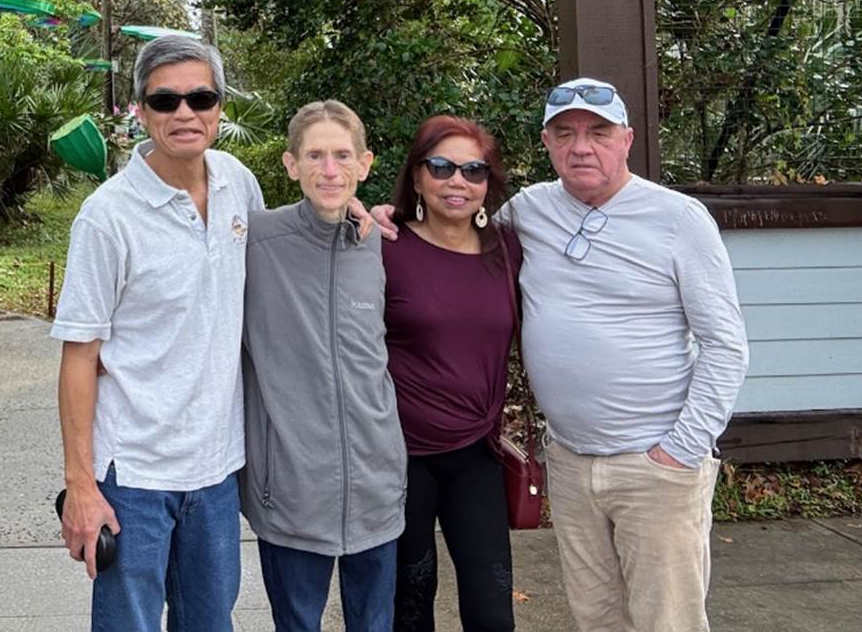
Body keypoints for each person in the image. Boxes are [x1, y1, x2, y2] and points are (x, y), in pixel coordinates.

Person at [511, 77, 748, 632]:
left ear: (627, 140)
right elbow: (455, 241)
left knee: (668, 620)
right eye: (564, 133)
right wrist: (387, 222)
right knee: (595, 617)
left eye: (598, 131)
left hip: (656, 466)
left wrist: (680, 451)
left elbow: (725, 344)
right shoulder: (528, 211)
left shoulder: (678, 219)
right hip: (569, 461)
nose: (581, 146)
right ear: (546, 143)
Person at [50, 34, 265, 632]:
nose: (185, 114)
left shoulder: (238, 185)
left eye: (201, 97)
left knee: (210, 623)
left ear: (221, 106)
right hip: (133, 476)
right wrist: (81, 486)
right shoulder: (108, 216)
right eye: (165, 101)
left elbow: (291, 256)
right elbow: (78, 356)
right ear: (140, 112)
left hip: (217, 469)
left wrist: (353, 210)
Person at [240, 100, 406, 632]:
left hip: (377, 485)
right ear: (291, 165)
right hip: (290, 488)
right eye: (315, 155)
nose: (329, 170)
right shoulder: (252, 240)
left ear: (366, 163)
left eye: (342, 155)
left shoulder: (383, 243)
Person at [383, 115, 520, 632]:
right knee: (410, 608)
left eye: (473, 170)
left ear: (489, 182)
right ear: (417, 176)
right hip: (400, 457)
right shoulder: (384, 246)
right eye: (440, 167)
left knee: (492, 612)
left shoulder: (508, 250)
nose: (457, 181)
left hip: (477, 455)